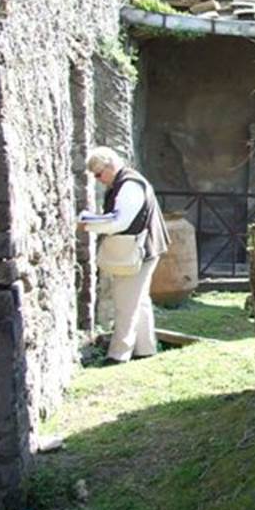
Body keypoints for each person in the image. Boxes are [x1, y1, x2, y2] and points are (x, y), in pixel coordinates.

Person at [79, 147, 170, 363]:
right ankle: (145, 349)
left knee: (125, 303)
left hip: (138, 252)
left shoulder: (129, 185)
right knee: (139, 301)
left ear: (110, 166)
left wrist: (87, 224)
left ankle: (119, 354)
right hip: (144, 250)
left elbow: (120, 221)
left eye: (99, 174)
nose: (98, 180)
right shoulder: (126, 182)